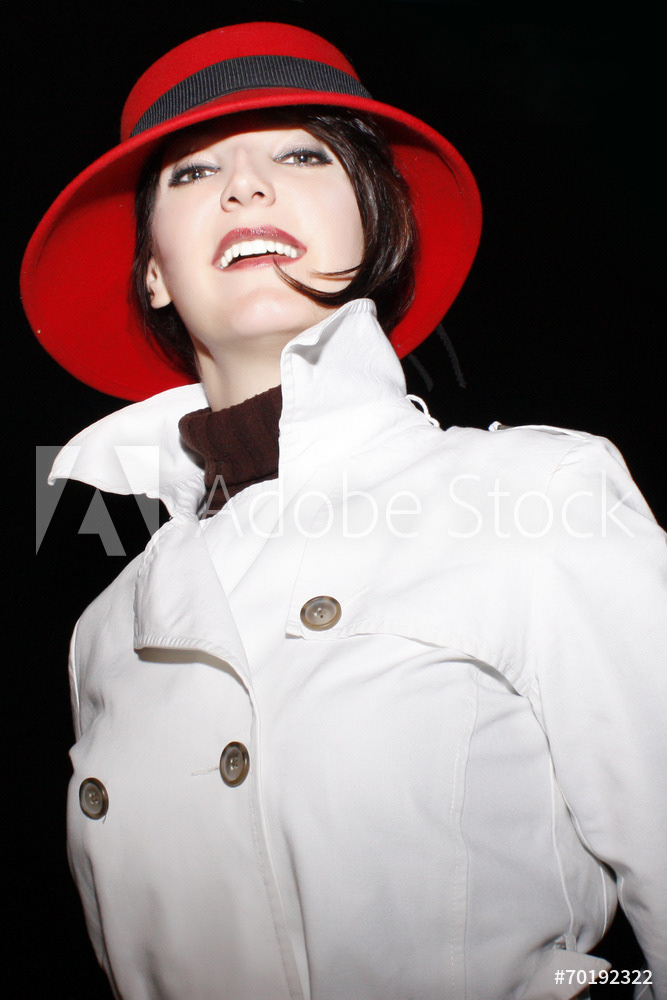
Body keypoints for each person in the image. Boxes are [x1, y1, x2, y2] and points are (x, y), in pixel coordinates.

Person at [21, 21, 666, 1000]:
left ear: (375, 224)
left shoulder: (533, 494)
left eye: (300, 155)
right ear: (152, 269)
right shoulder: (105, 631)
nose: (244, 187)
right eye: (193, 172)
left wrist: (591, 987)